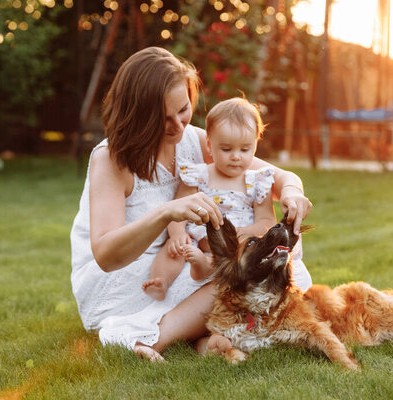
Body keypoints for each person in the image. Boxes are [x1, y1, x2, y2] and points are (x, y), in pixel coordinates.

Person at [70, 47, 313, 361]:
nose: (178, 126)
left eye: (183, 110)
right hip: (130, 275)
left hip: (184, 259)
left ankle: (205, 340)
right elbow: (106, 255)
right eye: (163, 119)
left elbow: (279, 177)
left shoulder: (194, 139)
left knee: (267, 269)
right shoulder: (111, 159)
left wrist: (292, 192)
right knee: (238, 274)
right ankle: (149, 335)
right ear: (137, 115)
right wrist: (166, 214)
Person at [142, 97, 312, 301]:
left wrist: (242, 233)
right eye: (226, 149)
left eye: (245, 149)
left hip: (239, 247)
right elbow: (178, 209)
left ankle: (206, 268)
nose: (236, 156)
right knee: (173, 250)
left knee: (245, 258)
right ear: (209, 144)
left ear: (255, 145)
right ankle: (160, 281)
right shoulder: (198, 175)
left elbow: (266, 222)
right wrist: (177, 233)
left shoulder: (258, 181)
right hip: (199, 240)